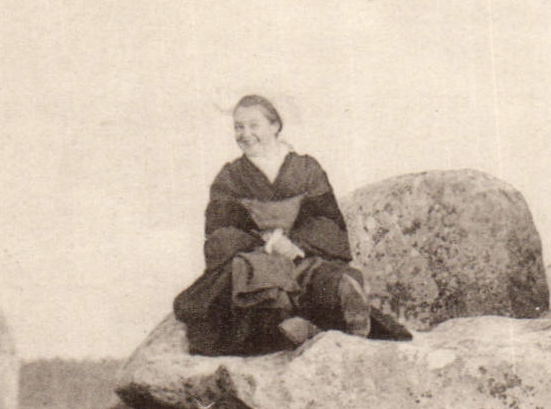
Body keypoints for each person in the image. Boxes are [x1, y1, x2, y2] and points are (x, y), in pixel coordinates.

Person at [173, 95, 404, 355]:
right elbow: (219, 233)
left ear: (275, 126)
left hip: (300, 255)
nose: (245, 134)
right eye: (238, 127)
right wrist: (266, 244)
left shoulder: (306, 169)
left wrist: (296, 244)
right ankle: (297, 328)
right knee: (255, 282)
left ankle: (338, 314)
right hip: (255, 258)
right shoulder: (229, 177)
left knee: (326, 278)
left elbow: (328, 222)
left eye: (253, 125)